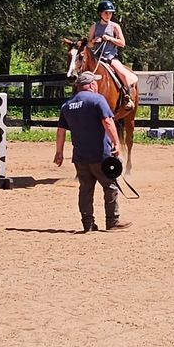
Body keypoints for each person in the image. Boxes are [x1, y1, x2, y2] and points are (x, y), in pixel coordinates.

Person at [53, 71, 132, 232]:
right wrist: (116, 143)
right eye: (95, 82)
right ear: (90, 85)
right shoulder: (98, 100)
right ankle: (112, 221)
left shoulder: (67, 105)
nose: (96, 85)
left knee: (85, 189)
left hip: (80, 156)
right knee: (110, 186)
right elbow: (108, 122)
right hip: (100, 154)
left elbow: (61, 130)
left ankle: (87, 223)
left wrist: (59, 152)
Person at [88, 0, 137, 109]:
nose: (108, 15)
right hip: (96, 57)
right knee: (82, 73)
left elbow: (122, 43)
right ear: (100, 13)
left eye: (110, 13)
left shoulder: (115, 26)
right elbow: (89, 44)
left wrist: (109, 38)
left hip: (110, 57)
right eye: (106, 13)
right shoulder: (94, 26)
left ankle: (128, 97)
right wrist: (94, 40)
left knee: (122, 73)